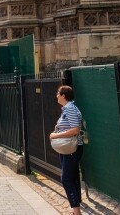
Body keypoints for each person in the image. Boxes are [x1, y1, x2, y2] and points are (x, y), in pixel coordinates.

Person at [49, 85, 83, 215]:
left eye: (58, 93)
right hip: (67, 148)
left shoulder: (70, 109)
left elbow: (75, 129)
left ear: (64, 95)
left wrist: (56, 135)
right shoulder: (66, 109)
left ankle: (76, 210)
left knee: (66, 179)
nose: (57, 95)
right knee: (72, 177)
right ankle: (76, 208)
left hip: (72, 149)